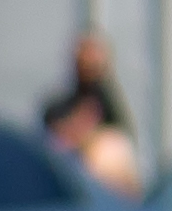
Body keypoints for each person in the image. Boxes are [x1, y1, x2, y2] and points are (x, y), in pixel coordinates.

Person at [41, 33, 146, 194]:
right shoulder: (63, 107)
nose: (86, 67)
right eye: (82, 62)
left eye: (92, 64)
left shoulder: (109, 115)